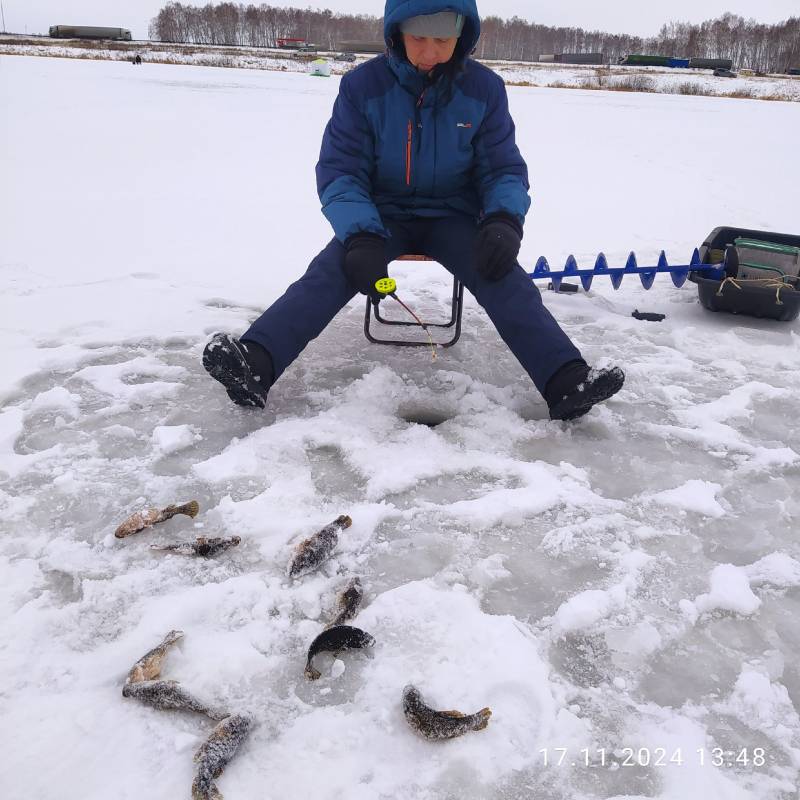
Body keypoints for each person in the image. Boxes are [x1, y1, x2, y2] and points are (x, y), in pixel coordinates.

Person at [203, 0, 625, 421]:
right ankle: (256, 363)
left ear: (462, 35)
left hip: (454, 216)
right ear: (396, 33)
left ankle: (564, 379)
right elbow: (341, 169)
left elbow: (502, 168)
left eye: (442, 40)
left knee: (505, 278)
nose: (429, 53)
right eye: (418, 38)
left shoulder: (484, 90)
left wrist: (503, 220)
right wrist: (361, 236)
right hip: (382, 216)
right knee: (330, 270)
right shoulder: (361, 87)